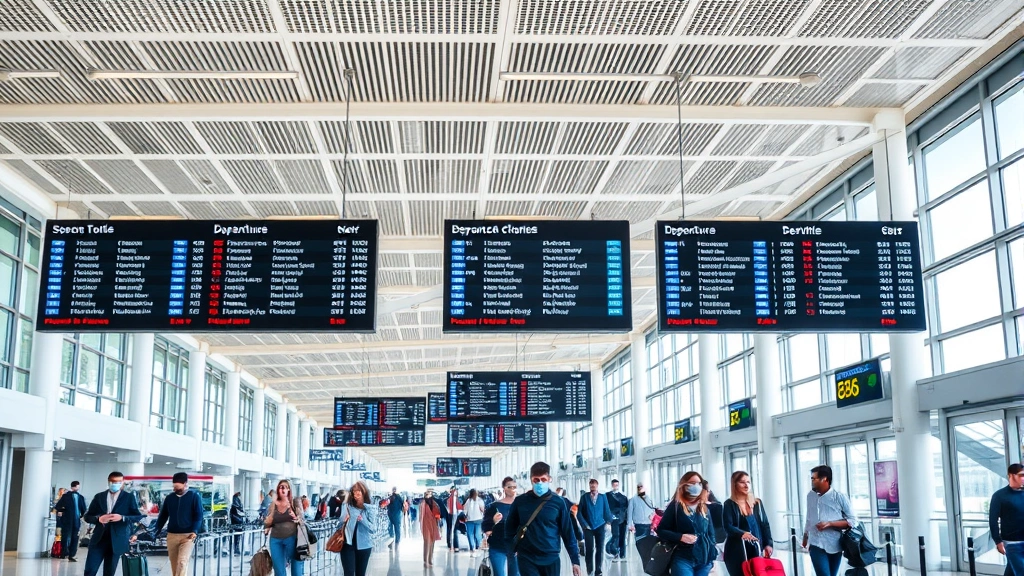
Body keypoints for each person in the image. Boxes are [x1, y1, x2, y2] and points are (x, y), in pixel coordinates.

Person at [504, 462, 582, 576]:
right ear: (531, 480)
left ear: (549, 479)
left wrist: (575, 561)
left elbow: (568, 533)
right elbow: (509, 527)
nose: (540, 483)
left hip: (551, 557)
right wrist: (511, 549)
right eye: (536, 480)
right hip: (527, 557)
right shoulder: (520, 502)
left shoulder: (558, 502)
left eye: (543, 479)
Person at [83, 471, 144, 576]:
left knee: (109, 572)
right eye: (113, 481)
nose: (116, 484)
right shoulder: (99, 497)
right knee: (90, 570)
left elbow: (137, 516)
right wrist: (99, 519)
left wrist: (122, 517)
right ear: (109, 482)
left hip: (117, 540)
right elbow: (87, 516)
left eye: (119, 482)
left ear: (123, 482)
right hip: (99, 539)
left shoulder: (128, 498)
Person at [656, 471, 717, 576]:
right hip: (682, 558)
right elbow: (661, 530)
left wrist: (712, 557)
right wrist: (680, 537)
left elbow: (710, 534)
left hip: (703, 560)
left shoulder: (703, 507)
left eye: (699, 483)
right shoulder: (675, 506)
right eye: (692, 483)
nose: (696, 486)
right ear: (684, 485)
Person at [802, 465, 856, 576]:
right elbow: (809, 518)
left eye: (814, 478)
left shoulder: (839, 497)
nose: (811, 481)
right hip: (816, 543)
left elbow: (853, 520)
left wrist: (830, 524)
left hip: (835, 544)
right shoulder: (810, 496)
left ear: (825, 479)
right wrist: (805, 537)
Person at [152, 472, 204, 576]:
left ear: (185, 484)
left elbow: (198, 516)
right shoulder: (170, 498)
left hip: (188, 536)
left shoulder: (194, 497)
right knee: (175, 564)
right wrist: (155, 531)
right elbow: (163, 516)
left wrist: (194, 531)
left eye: (178, 488)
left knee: (182, 562)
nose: (176, 490)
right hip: (172, 535)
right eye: (174, 487)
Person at [723, 471, 774, 576]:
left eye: (748, 482)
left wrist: (768, 544)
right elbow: (728, 526)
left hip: (756, 548)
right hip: (737, 551)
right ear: (735, 484)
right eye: (742, 482)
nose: (746, 485)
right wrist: (742, 533)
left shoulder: (757, 503)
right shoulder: (729, 504)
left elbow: (765, 525)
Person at [263, 479, 305, 576]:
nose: (282, 489)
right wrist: (267, 524)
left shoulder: (295, 501)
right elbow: (268, 520)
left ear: (289, 489)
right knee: (279, 571)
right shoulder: (274, 504)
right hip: (275, 539)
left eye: (285, 487)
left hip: (292, 539)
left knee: (296, 571)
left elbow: (302, 518)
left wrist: (296, 517)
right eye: (280, 487)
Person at [338, 481, 379, 576]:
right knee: (348, 573)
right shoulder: (347, 505)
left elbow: (373, 529)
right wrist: (344, 520)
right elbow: (339, 524)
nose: (356, 495)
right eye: (353, 492)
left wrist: (362, 520)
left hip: (364, 546)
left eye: (358, 493)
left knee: (360, 573)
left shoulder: (370, 507)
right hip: (347, 544)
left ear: (363, 492)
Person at [990, 463, 1024, 576]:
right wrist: (998, 541)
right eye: (1021, 475)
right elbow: (993, 520)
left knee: (1011, 571)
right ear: (1011, 475)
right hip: (1012, 543)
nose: (1023, 478)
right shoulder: (999, 496)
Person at [483, 477, 520, 576]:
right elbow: (486, 527)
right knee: (499, 574)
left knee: (516, 574)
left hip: (517, 547)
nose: (513, 489)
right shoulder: (494, 506)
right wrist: (493, 522)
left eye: (514, 487)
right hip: (497, 546)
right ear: (504, 488)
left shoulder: (522, 505)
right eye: (510, 487)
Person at [577, 478, 614, 576]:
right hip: (588, 527)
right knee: (589, 549)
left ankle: (598, 571)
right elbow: (579, 513)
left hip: (600, 526)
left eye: (594, 485)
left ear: (597, 486)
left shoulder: (603, 497)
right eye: (591, 485)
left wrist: (609, 522)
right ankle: (590, 570)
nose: (592, 487)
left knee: (600, 548)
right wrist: (584, 525)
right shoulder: (584, 497)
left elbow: (607, 510)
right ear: (589, 486)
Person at [54, 480, 88, 561]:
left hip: (75, 520)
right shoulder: (66, 496)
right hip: (68, 520)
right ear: (76, 486)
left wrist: (82, 515)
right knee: (66, 536)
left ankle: (71, 554)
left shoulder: (80, 497)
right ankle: (64, 553)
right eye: (78, 486)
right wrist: (63, 510)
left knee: (73, 537)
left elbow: (84, 509)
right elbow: (58, 506)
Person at [627, 483, 656, 549]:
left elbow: (653, 510)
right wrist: (629, 525)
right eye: (638, 487)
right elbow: (630, 512)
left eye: (641, 487)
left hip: (649, 524)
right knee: (640, 543)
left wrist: (653, 520)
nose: (640, 488)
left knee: (648, 543)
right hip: (639, 525)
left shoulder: (649, 499)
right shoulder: (633, 499)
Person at [607, 479, 629, 562]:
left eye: (617, 485)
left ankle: (622, 554)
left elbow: (626, 508)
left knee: (622, 537)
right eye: (614, 485)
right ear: (612, 485)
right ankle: (614, 553)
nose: (616, 486)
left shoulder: (623, 497)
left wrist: (626, 519)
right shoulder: (607, 496)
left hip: (622, 519)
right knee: (615, 536)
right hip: (613, 519)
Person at [420, 490, 443, 567]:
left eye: (429, 494)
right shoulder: (423, 504)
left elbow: (438, 515)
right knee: (427, 542)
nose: (427, 495)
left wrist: (439, 524)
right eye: (426, 494)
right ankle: (425, 560)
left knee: (432, 542)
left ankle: (430, 559)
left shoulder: (434, 503)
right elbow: (421, 516)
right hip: (426, 524)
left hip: (433, 524)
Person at [465, 488, 487, 557]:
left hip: (470, 520)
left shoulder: (468, 501)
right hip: (478, 519)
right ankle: (479, 547)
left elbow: (465, 511)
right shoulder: (480, 500)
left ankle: (473, 549)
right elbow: (483, 510)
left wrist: (465, 516)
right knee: (478, 534)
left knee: (470, 535)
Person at [446, 486, 462, 552]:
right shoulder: (454, 498)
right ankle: (454, 546)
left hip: (451, 514)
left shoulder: (449, 499)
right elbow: (458, 507)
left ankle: (451, 545)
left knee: (450, 530)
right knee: (453, 530)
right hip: (454, 515)